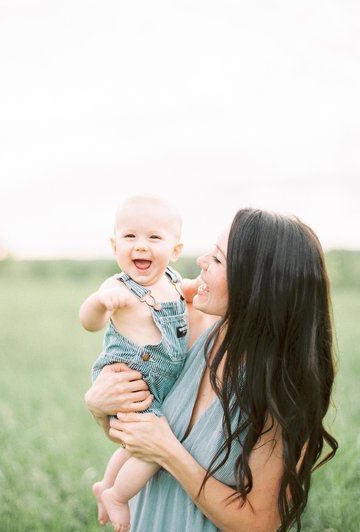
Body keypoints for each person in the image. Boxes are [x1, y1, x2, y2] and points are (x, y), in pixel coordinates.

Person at [84, 208, 338, 532]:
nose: (201, 261)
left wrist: (169, 452)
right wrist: (98, 407)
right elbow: (138, 438)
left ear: (256, 287)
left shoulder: (281, 391)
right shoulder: (188, 327)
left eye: (218, 260)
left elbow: (259, 523)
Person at [80, 195, 194, 532]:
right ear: (115, 245)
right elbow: (88, 321)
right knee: (150, 452)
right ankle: (117, 495)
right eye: (130, 237)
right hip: (127, 383)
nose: (140, 246)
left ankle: (106, 484)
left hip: (156, 387)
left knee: (135, 445)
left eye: (154, 238)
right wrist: (101, 303)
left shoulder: (173, 282)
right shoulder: (117, 286)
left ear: (175, 250)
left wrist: (198, 286)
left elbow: (189, 294)